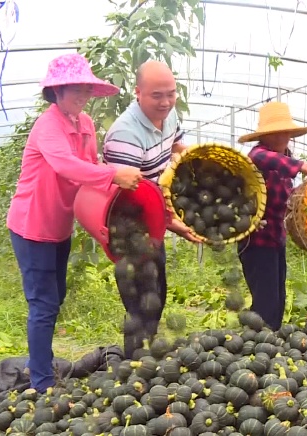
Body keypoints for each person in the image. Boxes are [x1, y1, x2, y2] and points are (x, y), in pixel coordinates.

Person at [6, 53, 142, 392]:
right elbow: (66, 166)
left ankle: (40, 361)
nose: (83, 95)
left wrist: (107, 210)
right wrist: (114, 174)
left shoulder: (85, 125)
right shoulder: (47, 126)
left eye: (86, 89)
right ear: (57, 91)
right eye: (75, 89)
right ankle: (41, 381)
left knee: (56, 296)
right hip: (32, 227)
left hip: (59, 226)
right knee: (43, 303)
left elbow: (89, 172)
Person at [103, 60, 202, 358]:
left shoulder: (169, 116)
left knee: (157, 293)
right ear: (138, 93)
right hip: (128, 225)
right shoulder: (125, 134)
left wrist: (198, 160)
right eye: (157, 95)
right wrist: (174, 224)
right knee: (138, 302)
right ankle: (135, 364)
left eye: (171, 94)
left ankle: (148, 359)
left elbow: (177, 146)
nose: (166, 102)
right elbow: (131, 195)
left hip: (154, 218)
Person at [237, 102, 307, 331]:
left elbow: (288, 199)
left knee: (277, 299)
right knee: (265, 302)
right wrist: (303, 166)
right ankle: (257, 343)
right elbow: (266, 159)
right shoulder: (258, 155)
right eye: (275, 132)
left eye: (285, 132)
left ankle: (269, 340)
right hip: (256, 241)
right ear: (264, 136)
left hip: (276, 238)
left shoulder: (286, 158)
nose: (282, 137)